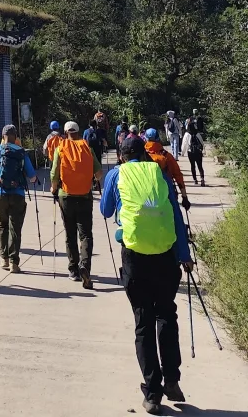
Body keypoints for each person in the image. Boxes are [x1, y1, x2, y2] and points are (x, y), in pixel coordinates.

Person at [101, 135, 193, 415]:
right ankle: (173, 379)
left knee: (143, 322)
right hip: (166, 255)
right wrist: (184, 254)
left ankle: (153, 394)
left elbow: (105, 210)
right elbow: (175, 215)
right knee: (166, 314)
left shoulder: (117, 174)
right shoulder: (160, 174)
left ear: (122, 155)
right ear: (145, 153)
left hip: (135, 257)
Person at [50, 119, 102, 287]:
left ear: (66, 133)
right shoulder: (87, 147)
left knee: (70, 234)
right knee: (86, 234)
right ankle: (85, 266)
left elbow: (54, 173)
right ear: (79, 132)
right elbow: (99, 172)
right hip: (85, 197)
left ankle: (73, 270)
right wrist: (94, 181)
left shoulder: (61, 148)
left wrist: (54, 188)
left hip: (66, 197)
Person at [0, 123, 37, 273]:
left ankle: (4, 259)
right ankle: (15, 263)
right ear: (16, 137)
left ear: (3, 136)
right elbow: (33, 176)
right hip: (18, 194)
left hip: (0, 193)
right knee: (15, 227)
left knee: (2, 225)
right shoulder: (21, 152)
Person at [144, 128, 190, 208]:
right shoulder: (167, 156)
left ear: (145, 139)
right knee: (175, 217)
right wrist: (184, 197)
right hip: (167, 194)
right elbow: (178, 176)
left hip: (145, 196)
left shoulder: (141, 156)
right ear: (158, 139)